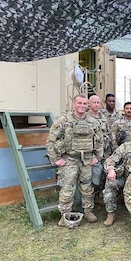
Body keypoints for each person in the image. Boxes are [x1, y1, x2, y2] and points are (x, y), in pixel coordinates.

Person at [46, 94, 103, 225]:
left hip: (87, 160)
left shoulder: (93, 122)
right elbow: (51, 140)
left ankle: (88, 211)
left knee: (87, 187)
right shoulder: (63, 121)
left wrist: (97, 157)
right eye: (79, 103)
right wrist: (55, 159)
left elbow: (100, 141)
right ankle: (65, 214)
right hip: (70, 159)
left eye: (84, 104)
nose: (82, 106)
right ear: (74, 104)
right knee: (67, 188)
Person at [88, 95, 110, 196]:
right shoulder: (86, 118)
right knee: (94, 174)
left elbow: (108, 134)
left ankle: (101, 193)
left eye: (98, 103)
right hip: (91, 152)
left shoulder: (103, 118)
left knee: (107, 170)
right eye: (94, 102)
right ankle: (91, 193)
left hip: (104, 151)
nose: (96, 105)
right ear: (89, 104)